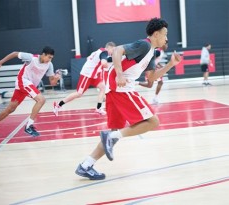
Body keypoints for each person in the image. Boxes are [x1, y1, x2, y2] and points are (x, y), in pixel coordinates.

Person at [75, 17, 181, 180]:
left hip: (116, 88)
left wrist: (170, 65)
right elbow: (117, 50)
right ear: (155, 33)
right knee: (153, 121)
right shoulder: (144, 44)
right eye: (165, 34)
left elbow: (151, 79)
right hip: (120, 87)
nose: (167, 38)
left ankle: (86, 165)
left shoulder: (151, 52)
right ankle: (109, 138)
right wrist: (119, 74)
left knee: (114, 132)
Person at [0, 46, 61, 140]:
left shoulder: (49, 65)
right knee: (41, 100)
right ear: (43, 54)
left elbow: (52, 83)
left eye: (51, 58)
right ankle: (29, 126)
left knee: (10, 109)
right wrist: (0, 63)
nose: (50, 60)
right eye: (49, 57)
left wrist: (56, 78)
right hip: (23, 81)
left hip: (27, 86)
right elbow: (15, 53)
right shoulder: (31, 58)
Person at [53, 42, 116, 116]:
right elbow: (104, 63)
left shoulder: (98, 51)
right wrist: (108, 65)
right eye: (113, 50)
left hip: (93, 75)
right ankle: (58, 105)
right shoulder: (104, 52)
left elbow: (88, 58)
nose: (113, 52)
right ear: (109, 47)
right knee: (79, 93)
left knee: (103, 88)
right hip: (87, 75)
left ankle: (98, 108)